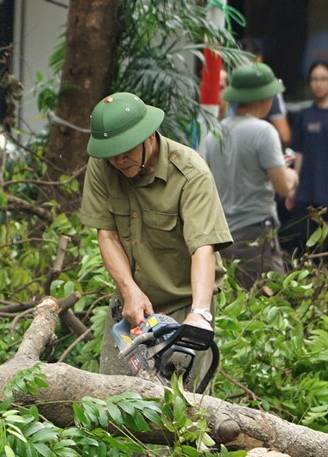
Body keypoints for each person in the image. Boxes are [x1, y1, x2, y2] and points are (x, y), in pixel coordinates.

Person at [78, 92, 230, 376]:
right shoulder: (103, 165)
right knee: (112, 400)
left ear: (149, 136)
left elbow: (203, 248)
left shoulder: (190, 173)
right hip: (130, 303)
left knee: (180, 408)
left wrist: (199, 313)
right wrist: (129, 291)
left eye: (126, 152)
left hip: (183, 304)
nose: (118, 161)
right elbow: (107, 234)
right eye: (112, 154)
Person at [202, 62, 296, 288]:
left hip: (223, 236)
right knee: (272, 302)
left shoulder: (215, 134)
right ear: (265, 99)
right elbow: (283, 187)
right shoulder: (264, 132)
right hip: (255, 234)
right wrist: (291, 175)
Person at [282, 59, 328, 258]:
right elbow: (299, 152)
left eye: (324, 79)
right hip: (306, 192)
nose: (319, 83)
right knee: (300, 245)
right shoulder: (304, 116)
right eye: (314, 79)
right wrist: (293, 184)